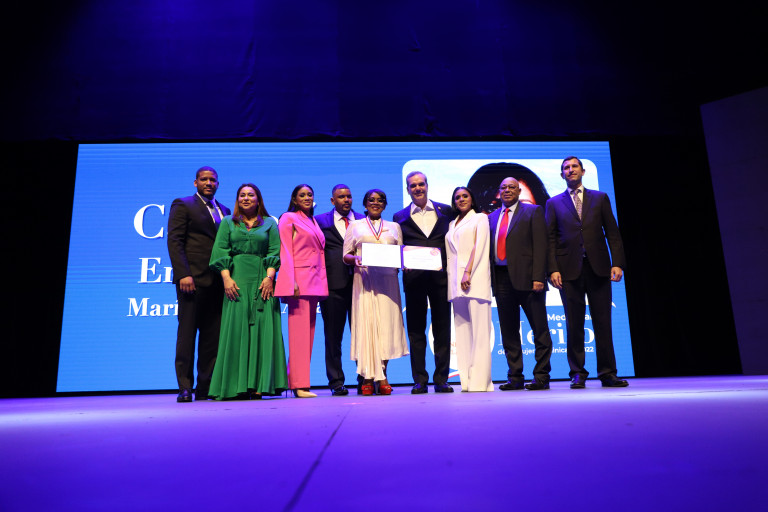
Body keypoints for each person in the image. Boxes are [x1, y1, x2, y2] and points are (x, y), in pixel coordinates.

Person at [545, 156, 628, 388]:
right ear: (562, 174)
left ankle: (608, 373)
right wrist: (552, 269)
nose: (570, 170)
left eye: (574, 166)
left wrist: (617, 263)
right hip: (567, 270)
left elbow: (612, 232)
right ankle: (577, 373)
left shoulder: (600, 198)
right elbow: (549, 239)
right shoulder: (553, 203)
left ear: (583, 171)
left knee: (603, 322)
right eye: (566, 168)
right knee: (574, 323)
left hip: (599, 268)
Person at [208, 184, 288, 400]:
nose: (246, 198)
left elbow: (274, 251)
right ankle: (236, 386)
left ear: (258, 199)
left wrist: (270, 278)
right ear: (237, 200)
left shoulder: (270, 223)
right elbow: (220, 251)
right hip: (236, 281)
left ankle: (260, 384)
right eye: (242, 195)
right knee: (236, 330)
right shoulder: (228, 222)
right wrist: (226, 279)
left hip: (263, 281)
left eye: (250, 195)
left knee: (263, 329)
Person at [167, 166, 231, 402]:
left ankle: (205, 386)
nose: (208, 183)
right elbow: (175, 240)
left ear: (218, 183)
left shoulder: (225, 210)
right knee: (187, 334)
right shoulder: (183, 204)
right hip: (191, 281)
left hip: (217, 282)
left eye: (212, 180)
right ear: (196, 183)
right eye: (204, 179)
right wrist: (183, 273)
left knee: (212, 337)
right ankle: (185, 387)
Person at [392, 171, 455, 394]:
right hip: (414, 280)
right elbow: (398, 247)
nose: (418, 188)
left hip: (441, 279)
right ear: (408, 189)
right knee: (416, 331)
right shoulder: (399, 216)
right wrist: (402, 262)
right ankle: (419, 380)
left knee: (442, 330)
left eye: (421, 184)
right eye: (413, 185)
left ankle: (441, 379)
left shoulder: (446, 211)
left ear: (427, 186)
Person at [489, 178, 554, 391]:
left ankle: (541, 376)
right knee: (509, 331)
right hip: (501, 278)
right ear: (499, 192)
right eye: (503, 187)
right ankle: (515, 377)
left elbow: (541, 246)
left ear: (518, 191)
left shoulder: (533, 211)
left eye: (511, 187)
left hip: (529, 279)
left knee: (539, 329)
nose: (507, 190)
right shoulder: (491, 217)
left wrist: (539, 277)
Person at [342, 189, 408, 395]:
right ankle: (368, 377)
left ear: (385, 205)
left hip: (388, 282)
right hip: (365, 281)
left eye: (380, 200)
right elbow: (346, 255)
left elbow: (401, 254)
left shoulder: (394, 227)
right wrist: (355, 259)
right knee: (367, 328)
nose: (376, 203)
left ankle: (383, 375)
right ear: (365, 204)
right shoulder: (355, 226)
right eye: (371, 200)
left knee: (386, 328)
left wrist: (407, 263)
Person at [274, 184, 328, 398]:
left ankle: (295, 380)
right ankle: (299, 385)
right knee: (299, 336)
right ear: (294, 199)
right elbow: (285, 251)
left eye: (310, 195)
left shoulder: (312, 220)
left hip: (314, 282)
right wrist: (291, 281)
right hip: (299, 283)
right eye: (302, 195)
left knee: (308, 335)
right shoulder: (288, 218)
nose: (307, 198)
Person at [315, 184, 365, 396]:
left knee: (362, 335)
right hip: (332, 286)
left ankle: (365, 380)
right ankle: (336, 382)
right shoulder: (320, 221)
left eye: (349, 196)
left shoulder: (363, 220)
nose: (346, 200)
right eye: (341, 197)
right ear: (332, 200)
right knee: (333, 337)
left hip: (361, 285)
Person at [445, 187, 493, 392]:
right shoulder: (452, 223)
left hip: (475, 280)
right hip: (456, 285)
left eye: (465, 196)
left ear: (472, 199)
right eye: (457, 197)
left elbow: (478, 246)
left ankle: (480, 382)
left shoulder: (480, 218)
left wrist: (468, 272)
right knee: (463, 334)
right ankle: (466, 380)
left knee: (480, 334)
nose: (461, 199)